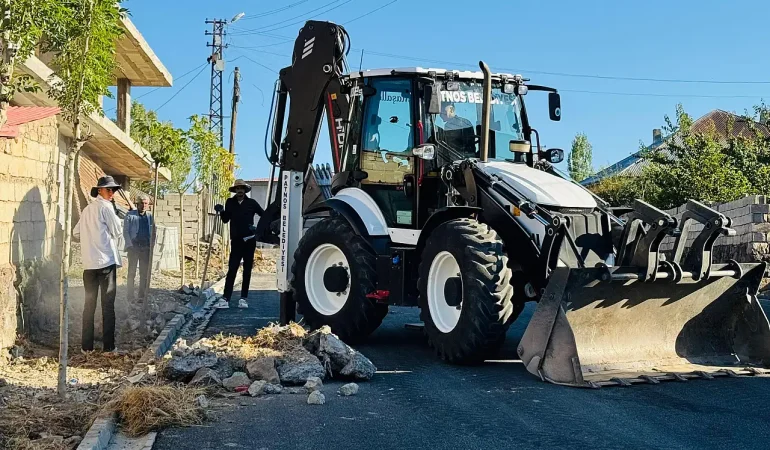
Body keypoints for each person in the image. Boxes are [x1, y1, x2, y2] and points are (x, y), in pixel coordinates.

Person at [73, 176, 124, 353]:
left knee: (89, 305)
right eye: (108, 189)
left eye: (113, 190)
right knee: (107, 306)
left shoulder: (87, 210)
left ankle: (86, 347)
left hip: (89, 265)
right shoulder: (106, 207)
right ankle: (109, 348)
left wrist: (91, 239)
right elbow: (118, 231)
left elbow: (76, 233)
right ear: (100, 190)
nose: (112, 193)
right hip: (105, 263)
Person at [214, 179, 264, 309]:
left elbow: (264, 216)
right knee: (232, 269)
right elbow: (225, 220)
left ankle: (243, 298)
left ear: (245, 190)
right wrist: (221, 211)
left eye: (242, 189)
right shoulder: (230, 203)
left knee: (247, 270)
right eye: (237, 189)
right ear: (235, 190)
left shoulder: (252, 203)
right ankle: (226, 299)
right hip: (236, 241)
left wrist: (257, 230)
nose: (240, 191)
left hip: (249, 240)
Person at [124, 194, 155, 303]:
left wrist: (151, 246)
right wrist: (129, 246)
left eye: (146, 203)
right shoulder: (130, 215)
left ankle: (142, 296)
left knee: (144, 273)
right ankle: (130, 296)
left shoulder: (150, 217)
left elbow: (154, 233)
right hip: (134, 248)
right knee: (131, 273)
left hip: (145, 248)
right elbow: (126, 232)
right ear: (137, 204)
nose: (144, 205)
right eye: (142, 203)